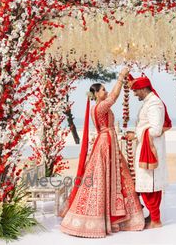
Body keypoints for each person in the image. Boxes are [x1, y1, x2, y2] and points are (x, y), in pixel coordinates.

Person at [59, 67, 145, 238]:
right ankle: (101, 219)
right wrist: (120, 77)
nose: (106, 91)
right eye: (103, 89)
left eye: (105, 89)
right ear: (97, 94)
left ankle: (119, 217)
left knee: (118, 176)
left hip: (108, 140)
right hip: (106, 143)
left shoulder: (100, 107)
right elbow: (114, 97)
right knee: (104, 177)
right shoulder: (100, 107)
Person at [126, 74, 172, 229]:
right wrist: (137, 134)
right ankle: (153, 217)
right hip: (146, 146)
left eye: (136, 90)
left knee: (148, 186)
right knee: (149, 186)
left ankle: (156, 221)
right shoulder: (149, 102)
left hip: (150, 150)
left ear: (144, 89)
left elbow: (156, 130)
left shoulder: (154, 104)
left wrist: (136, 135)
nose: (134, 94)